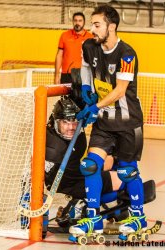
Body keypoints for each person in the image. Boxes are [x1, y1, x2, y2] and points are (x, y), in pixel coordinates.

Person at [69, 5, 146, 241]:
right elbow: (84, 67)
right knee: (90, 165)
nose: (92, 29)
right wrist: (85, 89)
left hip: (128, 123)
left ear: (111, 27)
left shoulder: (127, 54)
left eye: (97, 24)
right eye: (92, 24)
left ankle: (137, 217)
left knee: (126, 171)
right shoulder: (89, 46)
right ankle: (93, 218)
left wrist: (95, 107)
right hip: (104, 123)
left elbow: (120, 90)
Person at [45, 97, 126, 228]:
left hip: (70, 176)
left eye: (75, 122)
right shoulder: (57, 148)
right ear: (56, 122)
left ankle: (84, 204)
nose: (71, 127)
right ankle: (100, 205)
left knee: (112, 161)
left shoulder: (50, 132)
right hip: (72, 182)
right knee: (124, 178)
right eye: (66, 122)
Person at [54, 12, 93, 84]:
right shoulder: (64, 35)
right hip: (66, 74)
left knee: (82, 95)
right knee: (66, 95)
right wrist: (56, 75)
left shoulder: (90, 38)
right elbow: (59, 55)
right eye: (75, 20)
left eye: (80, 21)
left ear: (84, 22)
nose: (77, 23)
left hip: (84, 74)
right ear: (72, 22)